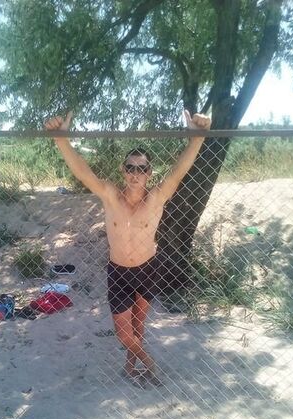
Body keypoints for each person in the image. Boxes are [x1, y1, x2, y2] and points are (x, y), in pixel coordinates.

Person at [45, 110, 211, 386]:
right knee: (124, 333)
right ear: (123, 171)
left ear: (149, 173)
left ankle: (130, 366)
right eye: (130, 168)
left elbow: (179, 172)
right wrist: (62, 140)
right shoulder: (111, 196)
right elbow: (84, 173)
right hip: (119, 272)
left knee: (138, 326)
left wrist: (197, 139)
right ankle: (150, 364)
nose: (135, 174)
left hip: (148, 269)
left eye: (142, 168)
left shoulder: (156, 197)